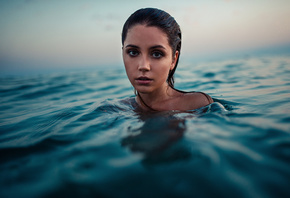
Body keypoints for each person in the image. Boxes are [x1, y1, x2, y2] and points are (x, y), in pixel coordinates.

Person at [122, 8, 213, 111]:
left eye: (156, 54)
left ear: (173, 60)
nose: (143, 66)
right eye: (133, 52)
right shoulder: (117, 109)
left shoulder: (197, 104)